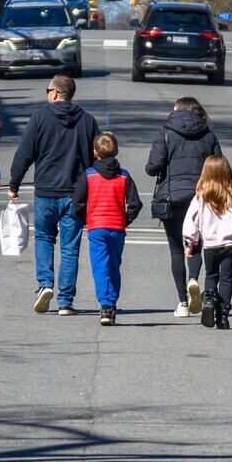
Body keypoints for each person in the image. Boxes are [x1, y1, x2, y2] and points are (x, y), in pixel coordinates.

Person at [7, 73, 101, 315]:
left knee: (45, 239)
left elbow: (24, 154)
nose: (47, 93)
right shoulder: (88, 121)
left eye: (48, 89)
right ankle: (65, 301)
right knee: (70, 246)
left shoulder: (39, 118)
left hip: (46, 190)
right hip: (76, 192)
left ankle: (44, 284)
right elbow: (97, 158)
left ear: (56, 93)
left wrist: (14, 184)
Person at [146, 96, 222, 318]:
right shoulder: (208, 134)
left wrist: (152, 166)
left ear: (178, 110)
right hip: (201, 197)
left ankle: (182, 303)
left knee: (176, 249)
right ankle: (193, 280)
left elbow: (154, 166)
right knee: (195, 243)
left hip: (172, 196)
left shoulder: (166, 132)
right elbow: (219, 164)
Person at [73, 131, 142, 326]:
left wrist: (85, 219)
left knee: (100, 267)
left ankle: (105, 305)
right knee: (114, 265)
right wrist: (124, 220)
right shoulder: (124, 176)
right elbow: (135, 204)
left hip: (96, 226)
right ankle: (111, 302)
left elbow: (77, 201)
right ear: (117, 151)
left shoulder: (89, 175)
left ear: (95, 152)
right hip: (116, 227)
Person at [181, 154, 232, 330]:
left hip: (210, 244)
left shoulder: (201, 196)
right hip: (230, 244)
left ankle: (208, 299)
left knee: (211, 275)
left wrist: (190, 243)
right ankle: (223, 314)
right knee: (227, 279)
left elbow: (190, 221)